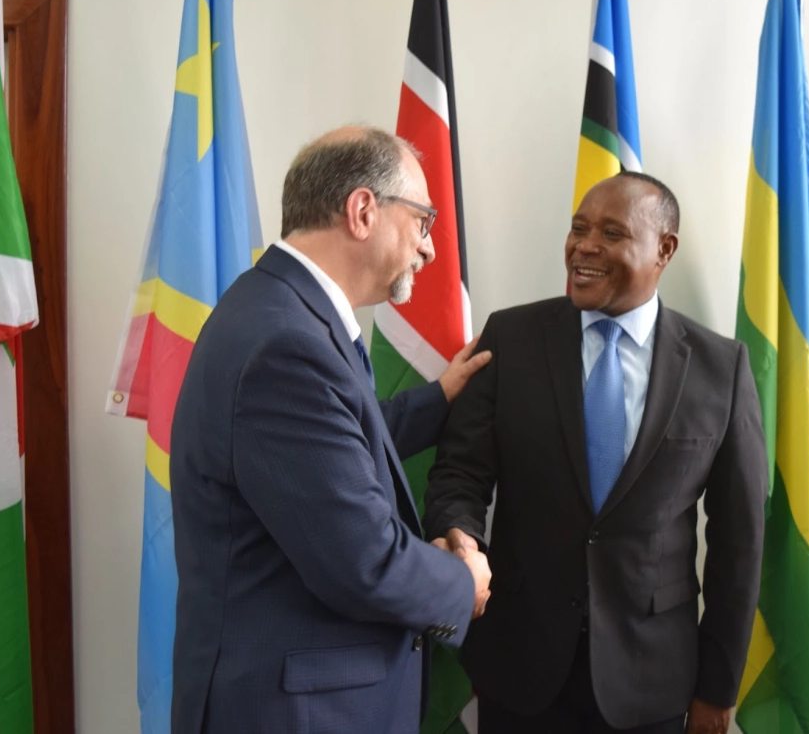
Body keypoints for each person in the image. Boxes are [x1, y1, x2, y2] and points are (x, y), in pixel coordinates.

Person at [170, 126, 492, 734]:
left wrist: (441, 397)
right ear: (363, 210)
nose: (429, 249)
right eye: (423, 221)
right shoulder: (286, 346)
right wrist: (461, 581)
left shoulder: (280, 310)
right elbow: (365, 561)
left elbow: (336, 450)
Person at [424, 173, 768, 734]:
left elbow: (740, 542)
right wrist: (459, 533)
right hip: (520, 670)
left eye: (611, 232)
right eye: (579, 228)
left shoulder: (719, 369)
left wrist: (718, 687)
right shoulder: (510, 337)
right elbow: (460, 472)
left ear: (664, 249)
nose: (585, 246)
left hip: (653, 682)